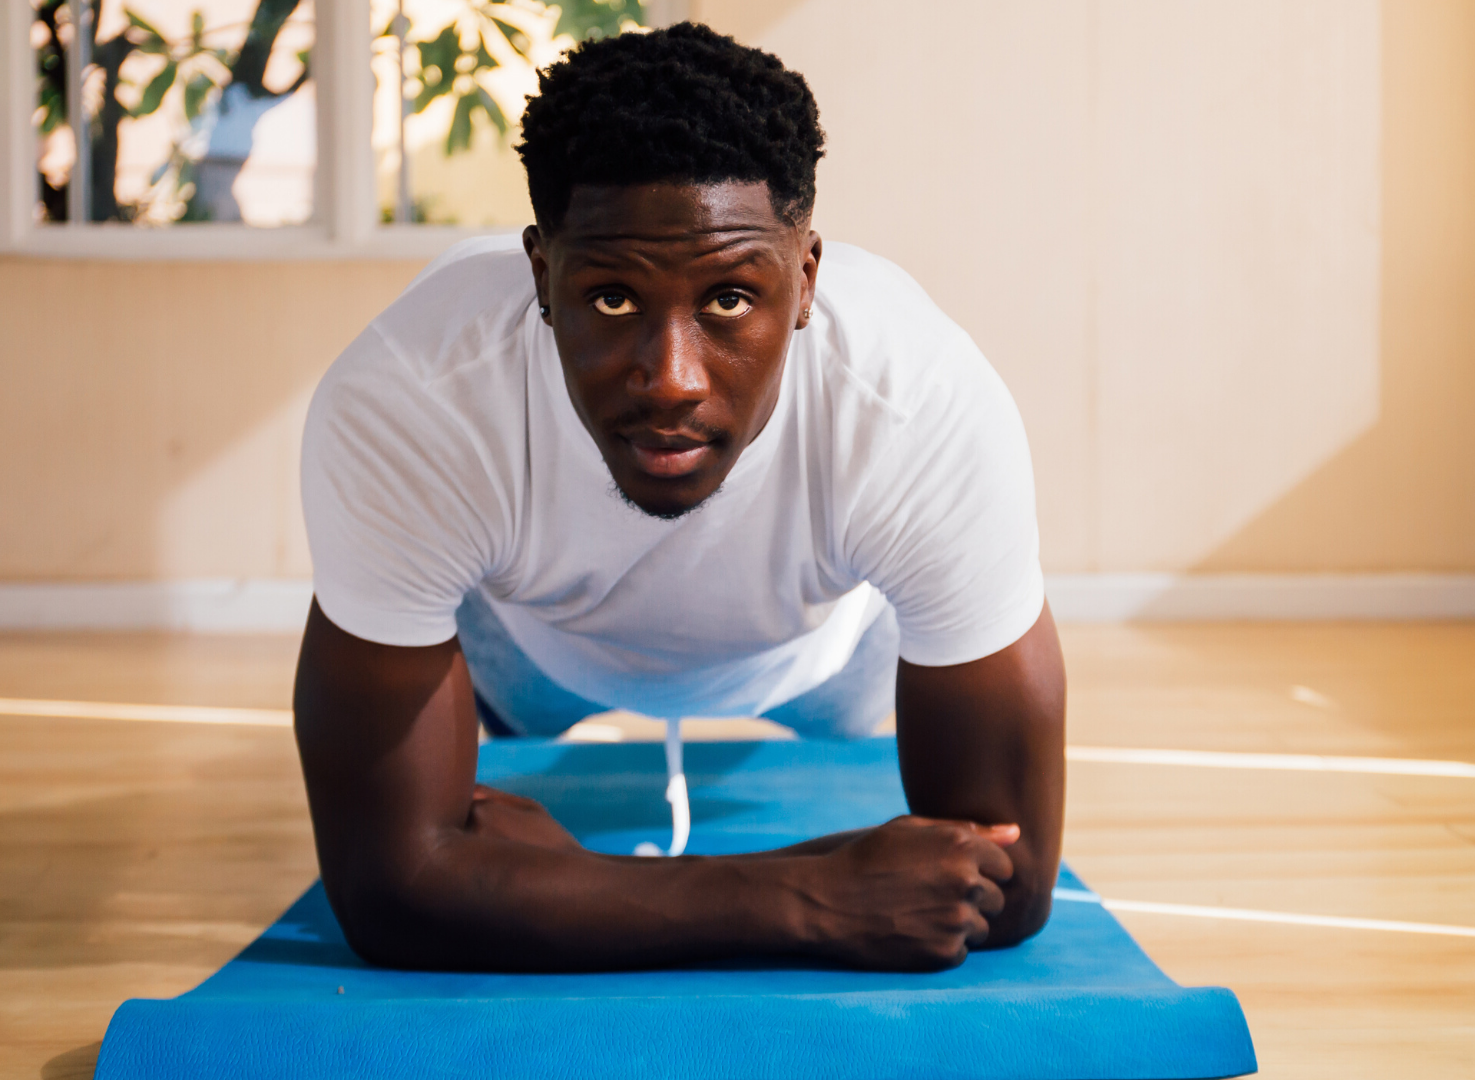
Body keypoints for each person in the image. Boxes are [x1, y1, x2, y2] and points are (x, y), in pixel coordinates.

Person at [291, 23, 1064, 974]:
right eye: (612, 298)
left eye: (731, 298)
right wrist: (809, 898)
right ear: (541, 275)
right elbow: (387, 895)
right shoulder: (414, 397)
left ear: (808, 277)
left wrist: (575, 889)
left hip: (824, 652)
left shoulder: (920, 400)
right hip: (531, 651)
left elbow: (1007, 886)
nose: (671, 381)